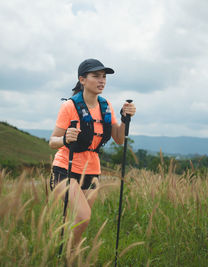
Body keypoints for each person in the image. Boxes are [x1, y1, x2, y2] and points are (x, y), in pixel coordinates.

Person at [49, 58, 136, 247]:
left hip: (91, 171)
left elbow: (119, 139)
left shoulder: (106, 106)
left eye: (104, 77)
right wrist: (65, 139)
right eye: (96, 76)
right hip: (65, 168)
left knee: (80, 223)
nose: (101, 80)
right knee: (83, 216)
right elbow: (52, 141)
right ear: (82, 79)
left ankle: (70, 256)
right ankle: (68, 254)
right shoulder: (69, 106)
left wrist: (124, 119)